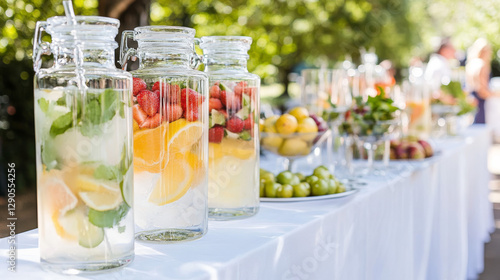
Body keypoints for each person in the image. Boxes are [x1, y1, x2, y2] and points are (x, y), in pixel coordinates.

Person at [465, 38, 498, 124]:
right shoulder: (481, 65)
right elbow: (482, 91)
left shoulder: (471, 64)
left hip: (472, 104)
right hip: (481, 106)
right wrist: (497, 94)